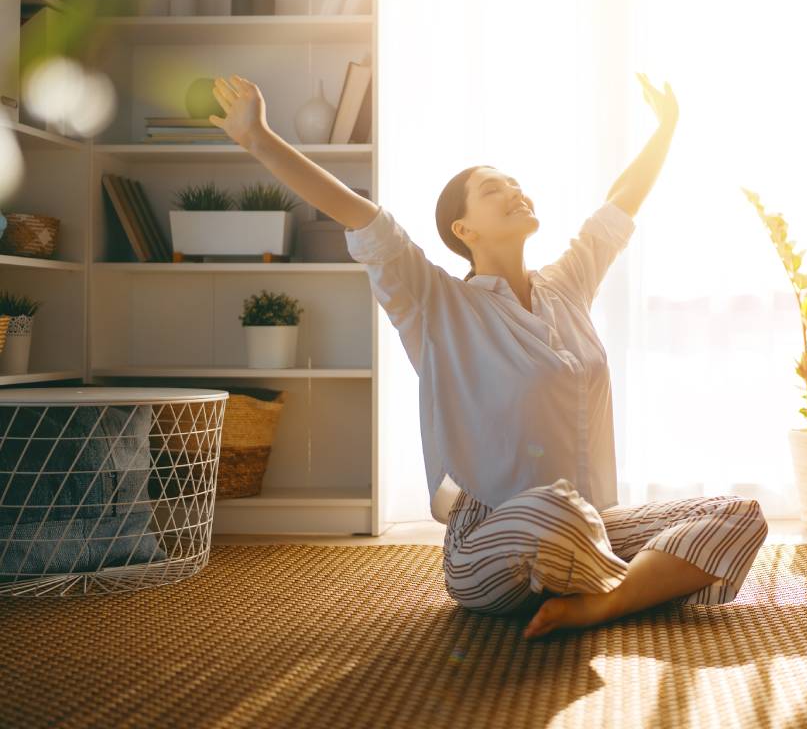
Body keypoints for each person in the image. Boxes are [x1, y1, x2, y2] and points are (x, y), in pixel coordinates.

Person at [209, 73, 768, 640]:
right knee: (557, 510)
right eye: (495, 189)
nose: (515, 192)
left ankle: (601, 603)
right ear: (463, 228)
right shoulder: (435, 304)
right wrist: (259, 138)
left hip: (591, 527)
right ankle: (638, 581)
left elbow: (616, 208)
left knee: (740, 514)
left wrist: (666, 129)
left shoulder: (567, 287)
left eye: (518, 184)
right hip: (493, 538)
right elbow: (359, 215)